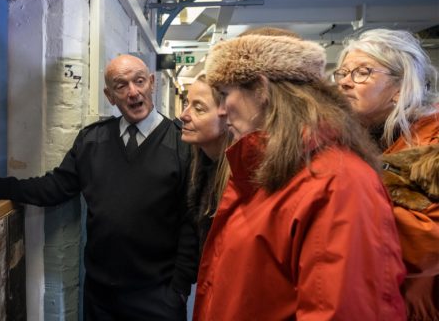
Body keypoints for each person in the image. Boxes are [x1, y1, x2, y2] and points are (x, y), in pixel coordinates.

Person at [0, 54, 197, 321]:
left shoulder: (182, 145)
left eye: (139, 81)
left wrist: (179, 288)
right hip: (101, 296)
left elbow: (191, 221)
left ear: (151, 83)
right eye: (121, 86)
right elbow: (53, 187)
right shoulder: (92, 141)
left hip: (158, 295)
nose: (133, 92)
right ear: (110, 96)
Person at [193, 34, 406, 320]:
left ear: (260, 89)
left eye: (224, 95)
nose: (220, 110)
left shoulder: (338, 183)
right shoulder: (269, 171)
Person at [334, 28, 439, 320]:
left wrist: (343, 206)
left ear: (400, 86)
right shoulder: (350, 141)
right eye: (342, 72)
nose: (344, 82)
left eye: (362, 72)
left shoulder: (432, 143)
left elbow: (430, 243)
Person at [179, 74, 231, 255]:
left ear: (227, 116)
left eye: (198, 108)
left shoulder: (239, 183)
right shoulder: (197, 167)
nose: (183, 115)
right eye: (187, 104)